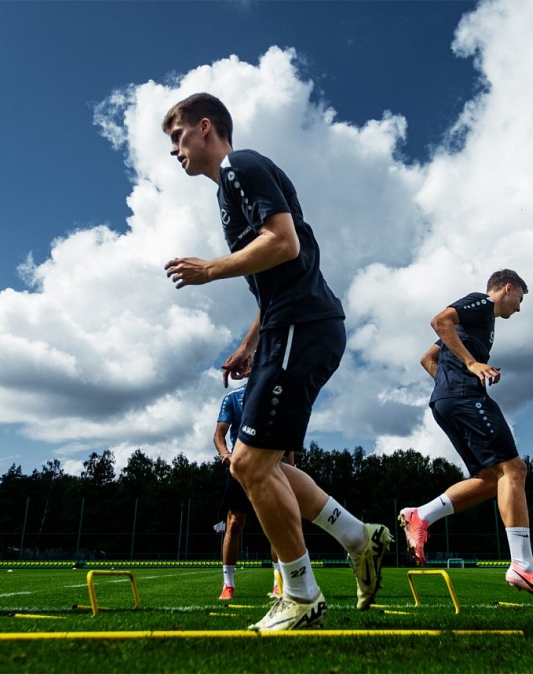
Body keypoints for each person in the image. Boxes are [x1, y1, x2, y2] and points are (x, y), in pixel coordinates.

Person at [162, 93, 392, 631]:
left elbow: (284, 244)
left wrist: (211, 270)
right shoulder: (228, 193)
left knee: (248, 465)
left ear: (205, 128)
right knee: (268, 464)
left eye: (176, 137)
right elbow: (273, 281)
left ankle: (301, 595)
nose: (173, 150)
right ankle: (362, 538)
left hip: (303, 325)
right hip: (289, 324)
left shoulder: (240, 166)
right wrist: (249, 343)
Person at [396, 270, 533, 607]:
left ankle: (420, 516)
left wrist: (451, 384)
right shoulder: (482, 304)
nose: (519, 308)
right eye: (520, 298)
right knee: (514, 471)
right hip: (462, 398)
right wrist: (471, 366)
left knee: (491, 480)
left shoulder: (476, 326)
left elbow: (428, 358)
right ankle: (523, 566)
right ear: (508, 288)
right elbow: (439, 320)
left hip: (448, 400)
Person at [214, 385, 290, 600]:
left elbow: (287, 436)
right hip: (241, 468)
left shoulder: (277, 394)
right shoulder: (232, 398)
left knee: (275, 525)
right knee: (234, 523)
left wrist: (292, 466)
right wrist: (225, 454)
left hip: (270, 466)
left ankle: (278, 583)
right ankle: (228, 585)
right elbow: (219, 434)